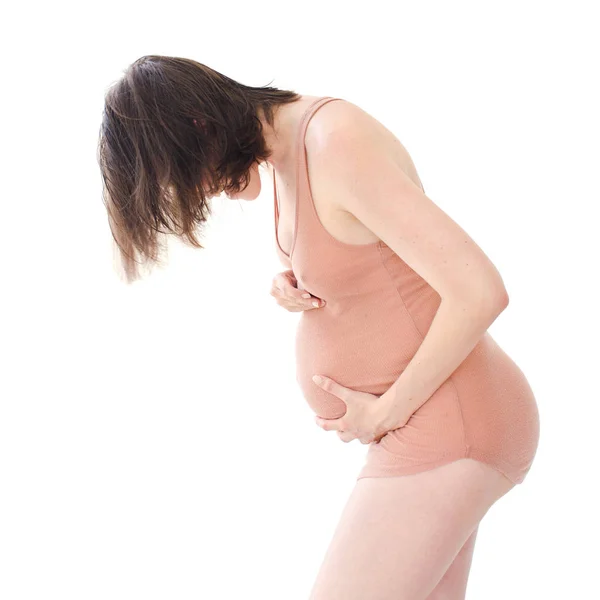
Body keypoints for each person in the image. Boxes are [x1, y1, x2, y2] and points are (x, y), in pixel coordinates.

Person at [98, 55, 540, 599]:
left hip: (451, 422)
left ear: (199, 124)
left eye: (190, 175)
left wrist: (385, 410)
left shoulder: (333, 142)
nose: (203, 193)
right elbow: (373, 253)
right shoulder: (285, 150)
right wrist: (300, 279)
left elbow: (480, 290)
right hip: (436, 425)